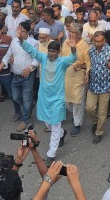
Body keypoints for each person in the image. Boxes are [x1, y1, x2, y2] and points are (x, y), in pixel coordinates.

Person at [19, 37, 78, 166]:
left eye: (53, 51)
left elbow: (73, 58)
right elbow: (31, 51)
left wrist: (73, 48)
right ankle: (62, 133)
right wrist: (21, 39)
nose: (51, 53)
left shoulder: (62, 62)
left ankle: (51, 154)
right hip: (44, 98)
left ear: (58, 52)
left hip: (57, 98)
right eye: (49, 51)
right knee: (49, 125)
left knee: (55, 125)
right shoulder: (43, 58)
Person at [0, 21, 37, 132]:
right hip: (16, 75)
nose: (18, 33)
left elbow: (36, 59)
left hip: (28, 76)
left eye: (21, 31)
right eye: (18, 30)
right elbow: (7, 56)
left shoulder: (34, 43)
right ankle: (28, 108)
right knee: (15, 97)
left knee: (26, 99)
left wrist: (30, 68)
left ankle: (25, 120)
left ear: (27, 32)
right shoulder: (14, 41)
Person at [86, 31, 110, 144]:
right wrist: (87, 75)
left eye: (100, 41)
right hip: (93, 85)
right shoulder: (91, 50)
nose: (97, 44)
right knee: (89, 108)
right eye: (96, 41)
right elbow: (89, 64)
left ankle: (99, 132)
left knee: (102, 111)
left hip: (105, 86)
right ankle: (96, 121)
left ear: (104, 41)